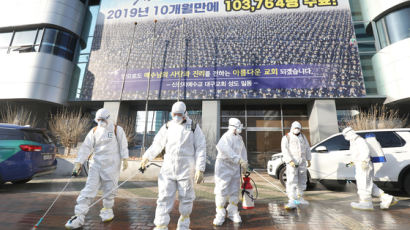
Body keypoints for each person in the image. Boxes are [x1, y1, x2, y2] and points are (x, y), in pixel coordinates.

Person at [139, 101, 206, 230]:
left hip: (186, 168)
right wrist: (147, 157)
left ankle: (183, 225)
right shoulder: (168, 126)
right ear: (171, 114)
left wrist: (200, 169)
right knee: (164, 196)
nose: (177, 117)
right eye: (174, 114)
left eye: (179, 114)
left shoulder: (194, 127)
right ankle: (161, 225)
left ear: (185, 114)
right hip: (168, 168)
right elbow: (157, 143)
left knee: (186, 198)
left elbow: (201, 148)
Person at [65, 108, 129, 229]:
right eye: (98, 120)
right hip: (96, 165)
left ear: (108, 118)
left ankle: (107, 211)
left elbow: (123, 145)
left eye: (103, 119)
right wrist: (79, 162)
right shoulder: (94, 131)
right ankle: (78, 216)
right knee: (89, 189)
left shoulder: (117, 130)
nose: (101, 122)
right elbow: (86, 147)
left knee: (110, 190)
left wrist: (125, 158)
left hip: (112, 165)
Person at [342, 127, 397, 210]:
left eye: (346, 135)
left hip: (364, 166)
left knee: (363, 184)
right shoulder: (354, 142)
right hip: (361, 164)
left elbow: (365, 151)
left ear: (350, 133)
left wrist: (364, 162)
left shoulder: (359, 140)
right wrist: (349, 164)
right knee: (369, 184)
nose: (346, 137)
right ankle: (387, 198)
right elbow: (356, 157)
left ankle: (366, 203)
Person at [213, 118, 248, 226]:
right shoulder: (225, 137)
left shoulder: (240, 139)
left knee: (234, 190)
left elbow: (243, 152)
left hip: (235, 167)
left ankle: (233, 211)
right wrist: (238, 160)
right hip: (224, 166)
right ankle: (220, 214)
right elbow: (224, 149)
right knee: (221, 190)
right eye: (238, 127)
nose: (239, 129)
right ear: (233, 127)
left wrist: (244, 165)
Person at [281, 121, 311, 209]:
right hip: (292, 163)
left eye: (298, 128)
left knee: (302, 179)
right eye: (295, 128)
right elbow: (284, 150)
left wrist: (308, 159)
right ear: (292, 128)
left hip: (302, 162)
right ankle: (292, 200)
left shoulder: (303, 137)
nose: (297, 130)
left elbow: (307, 148)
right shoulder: (287, 137)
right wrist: (290, 160)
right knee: (292, 180)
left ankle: (300, 198)